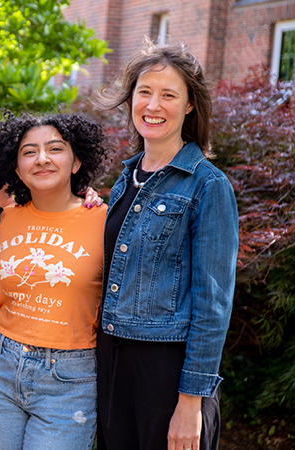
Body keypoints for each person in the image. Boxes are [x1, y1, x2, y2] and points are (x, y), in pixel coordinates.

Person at [95, 38, 238, 450]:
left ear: (190, 105)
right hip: (112, 360)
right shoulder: (126, 179)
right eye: (144, 92)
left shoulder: (208, 186)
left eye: (168, 95)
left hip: (165, 370)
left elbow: (212, 304)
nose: (153, 105)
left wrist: (190, 402)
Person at [0, 113, 110, 450]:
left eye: (55, 148)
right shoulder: (1, 220)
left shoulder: (105, 221)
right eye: (29, 151)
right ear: (17, 167)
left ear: (77, 161)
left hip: (69, 378)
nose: (42, 159)